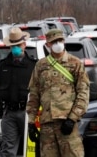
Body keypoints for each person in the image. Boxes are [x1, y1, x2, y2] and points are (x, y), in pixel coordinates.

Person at [26, 29, 90, 157]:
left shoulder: (75, 63)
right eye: (54, 41)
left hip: (67, 124)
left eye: (60, 40)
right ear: (48, 44)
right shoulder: (41, 66)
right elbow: (34, 95)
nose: (58, 44)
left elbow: (83, 93)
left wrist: (72, 119)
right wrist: (31, 122)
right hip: (47, 125)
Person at [0, 27, 37, 157]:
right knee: (7, 149)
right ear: (9, 47)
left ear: (24, 45)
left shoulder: (34, 65)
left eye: (18, 45)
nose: (16, 48)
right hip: (9, 113)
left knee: (33, 147)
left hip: (28, 113)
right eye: (13, 46)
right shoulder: (3, 65)